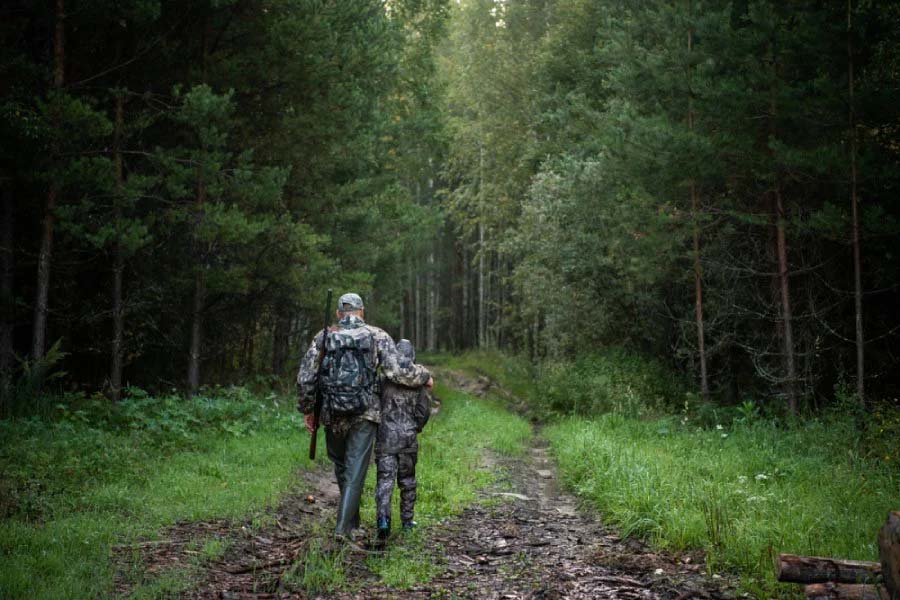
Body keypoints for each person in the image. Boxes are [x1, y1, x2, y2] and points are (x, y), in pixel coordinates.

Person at [297, 292, 432, 540]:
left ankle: (350, 522)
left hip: (331, 411)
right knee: (355, 468)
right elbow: (397, 371)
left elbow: (306, 377)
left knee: (341, 466)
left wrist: (308, 409)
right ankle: (344, 527)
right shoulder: (377, 335)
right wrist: (424, 375)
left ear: (339, 313)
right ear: (362, 312)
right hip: (365, 412)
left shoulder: (324, 336)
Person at [374, 339, 432, 540]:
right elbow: (424, 411)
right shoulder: (419, 383)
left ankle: (383, 521)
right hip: (408, 439)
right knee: (407, 481)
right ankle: (407, 521)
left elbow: (374, 405)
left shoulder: (383, 379)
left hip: (385, 439)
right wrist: (416, 427)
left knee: (385, 480)